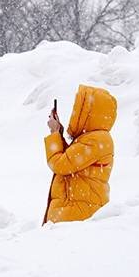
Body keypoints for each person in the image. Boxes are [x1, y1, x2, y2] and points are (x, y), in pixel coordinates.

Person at [42, 84, 117, 224]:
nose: (75, 114)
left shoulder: (95, 140)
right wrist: (59, 133)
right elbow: (70, 161)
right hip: (77, 212)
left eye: (79, 109)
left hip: (77, 215)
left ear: (89, 112)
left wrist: (54, 134)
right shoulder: (92, 138)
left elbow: (60, 165)